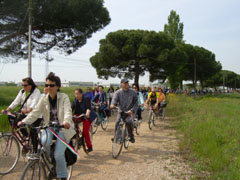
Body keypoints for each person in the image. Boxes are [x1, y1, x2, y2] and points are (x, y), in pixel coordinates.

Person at [17, 72, 75, 180]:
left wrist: (66, 122)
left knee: (58, 154)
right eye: (47, 85)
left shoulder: (64, 97)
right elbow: (35, 112)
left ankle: (62, 175)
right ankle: (52, 163)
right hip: (49, 127)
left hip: (63, 128)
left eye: (51, 85)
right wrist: (24, 121)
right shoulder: (44, 99)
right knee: (44, 142)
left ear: (58, 86)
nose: (48, 87)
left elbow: (68, 111)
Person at [1, 77, 42, 153]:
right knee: (12, 118)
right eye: (22, 85)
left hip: (35, 115)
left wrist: (28, 110)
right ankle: (25, 134)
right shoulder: (22, 91)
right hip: (25, 113)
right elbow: (16, 102)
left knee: (33, 132)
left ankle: (35, 151)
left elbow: (34, 103)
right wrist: (7, 109)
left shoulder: (36, 92)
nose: (24, 87)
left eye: (25, 85)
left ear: (31, 85)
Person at [110, 79, 138, 143]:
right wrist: (112, 104)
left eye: (127, 83)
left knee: (129, 121)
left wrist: (132, 110)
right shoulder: (118, 92)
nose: (126, 84)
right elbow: (114, 100)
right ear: (121, 84)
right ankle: (117, 137)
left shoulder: (133, 92)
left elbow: (136, 103)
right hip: (121, 111)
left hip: (130, 111)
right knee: (117, 121)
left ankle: (131, 135)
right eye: (125, 83)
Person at [71, 88, 97, 153]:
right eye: (75, 94)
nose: (76, 95)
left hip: (87, 116)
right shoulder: (75, 100)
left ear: (81, 94)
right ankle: (76, 134)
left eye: (77, 94)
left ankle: (89, 146)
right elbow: (70, 109)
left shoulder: (86, 99)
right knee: (71, 122)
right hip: (79, 115)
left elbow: (88, 108)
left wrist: (87, 113)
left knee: (85, 131)